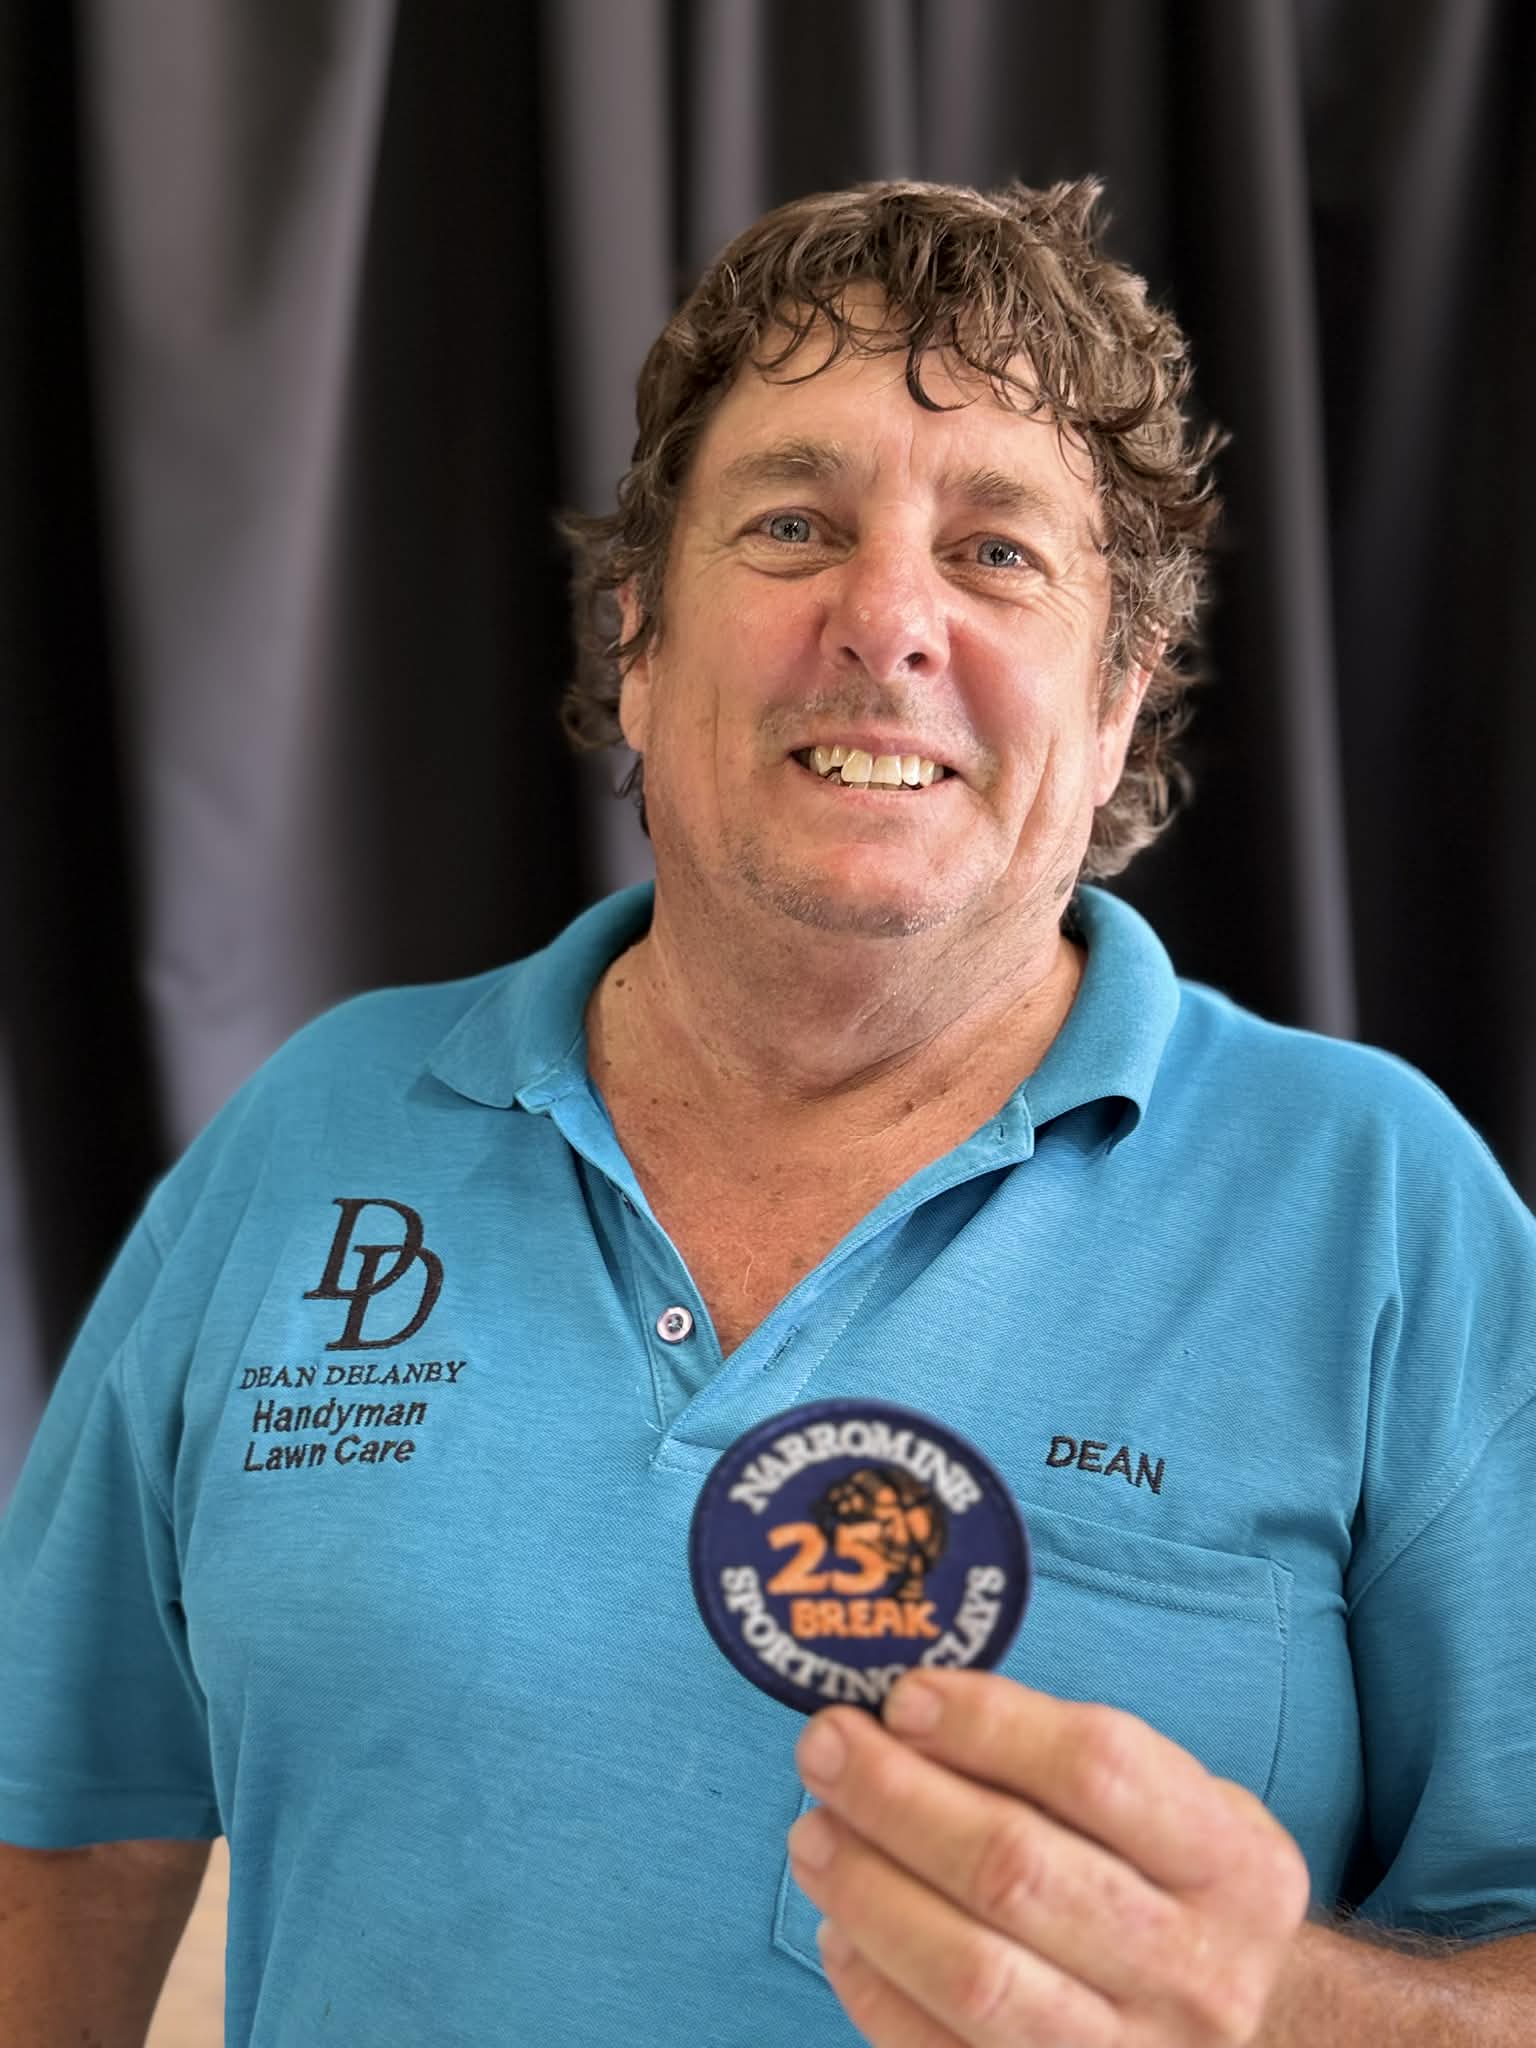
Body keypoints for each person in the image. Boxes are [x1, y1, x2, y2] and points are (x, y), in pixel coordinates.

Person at [2, 176, 1534, 2048]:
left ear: (1120, 701)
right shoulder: (314, 1134)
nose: (886, 621)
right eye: (794, 524)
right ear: (640, 640)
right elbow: (56, 1836)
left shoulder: (1376, 1204)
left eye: (997, 553)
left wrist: (1277, 2009)